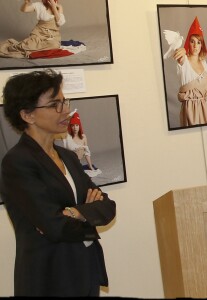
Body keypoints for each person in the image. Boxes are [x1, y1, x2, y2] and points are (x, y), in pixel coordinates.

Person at [0, 69, 116, 297]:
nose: (65, 110)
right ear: (27, 115)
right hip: (49, 276)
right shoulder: (17, 162)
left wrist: (74, 213)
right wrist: (86, 212)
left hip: (85, 270)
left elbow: (108, 207)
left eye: (64, 102)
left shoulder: (69, 157)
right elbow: (53, 225)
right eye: (55, 105)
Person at [173, 16, 207, 126]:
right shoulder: (184, 61)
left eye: (199, 42)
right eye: (192, 42)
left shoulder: (203, 62)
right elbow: (179, 56)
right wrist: (181, 50)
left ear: (202, 45)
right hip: (192, 109)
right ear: (188, 43)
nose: (195, 46)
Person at [0, 0, 65, 58]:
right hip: (38, 33)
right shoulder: (39, 5)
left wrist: (54, 7)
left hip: (52, 36)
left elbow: (60, 22)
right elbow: (24, 10)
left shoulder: (59, 6)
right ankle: (11, 47)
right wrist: (26, 3)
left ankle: (34, 49)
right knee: (28, 45)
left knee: (54, 45)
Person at [63, 111, 102, 178]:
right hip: (69, 165)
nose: (75, 128)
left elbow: (87, 153)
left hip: (78, 165)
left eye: (77, 125)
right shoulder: (67, 137)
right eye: (73, 125)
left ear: (79, 126)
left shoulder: (83, 137)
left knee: (89, 175)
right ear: (70, 126)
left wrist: (90, 166)